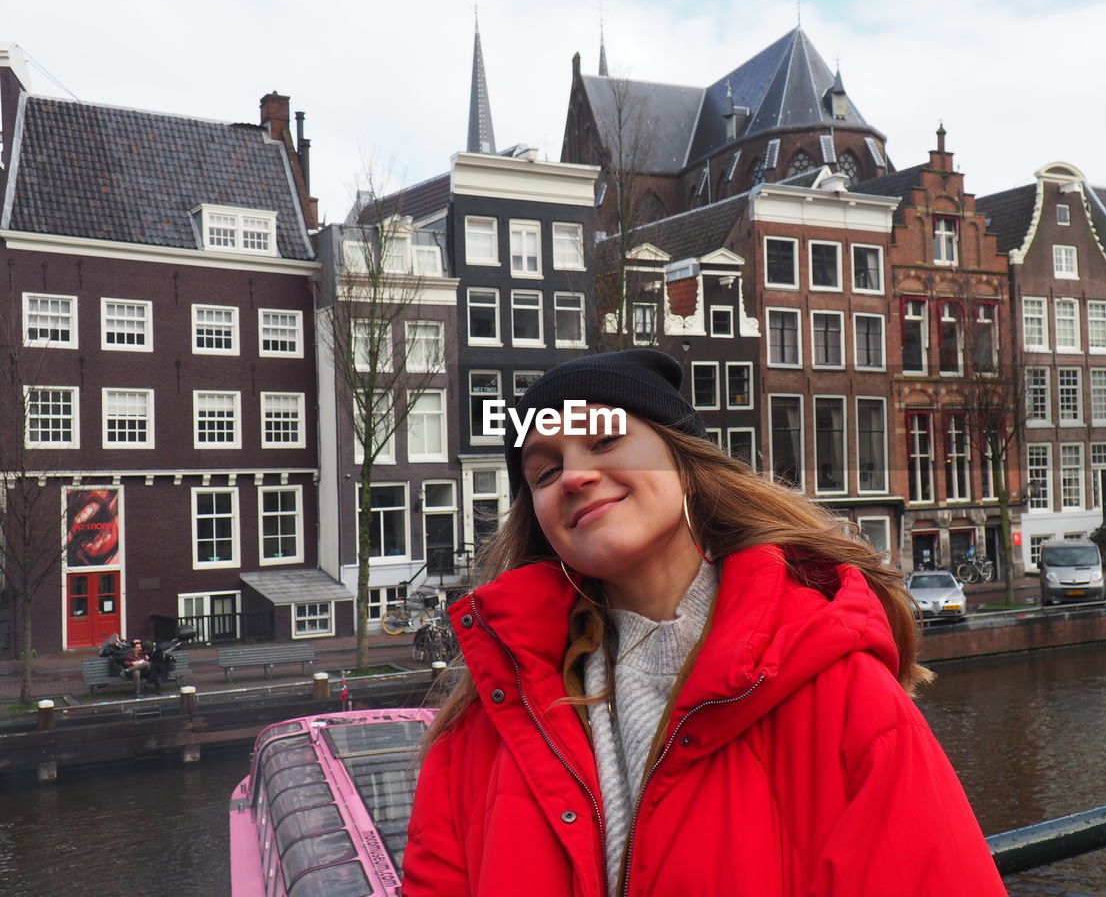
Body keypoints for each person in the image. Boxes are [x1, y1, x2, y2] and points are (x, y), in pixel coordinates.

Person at [401, 350, 1006, 896]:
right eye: (544, 472)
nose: (574, 476)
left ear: (685, 464)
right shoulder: (480, 731)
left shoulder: (839, 696)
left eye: (606, 441)